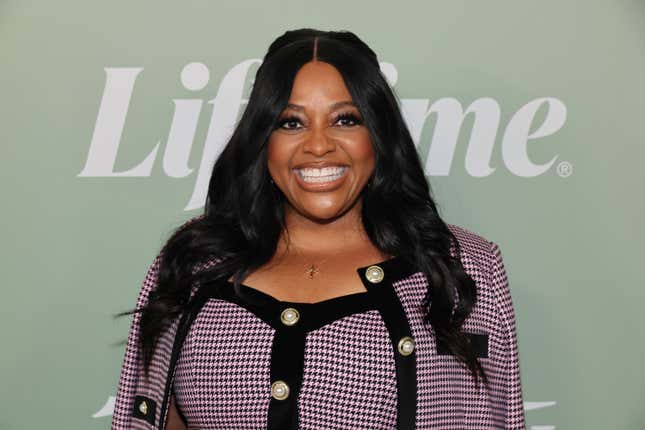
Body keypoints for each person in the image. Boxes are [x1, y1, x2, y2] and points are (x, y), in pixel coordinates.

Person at [112, 28, 525, 430]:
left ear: (378, 134)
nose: (318, 145)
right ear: (262, 139)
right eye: (291, 123)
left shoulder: (462, 269)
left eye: (345, 119)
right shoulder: (194, 264)